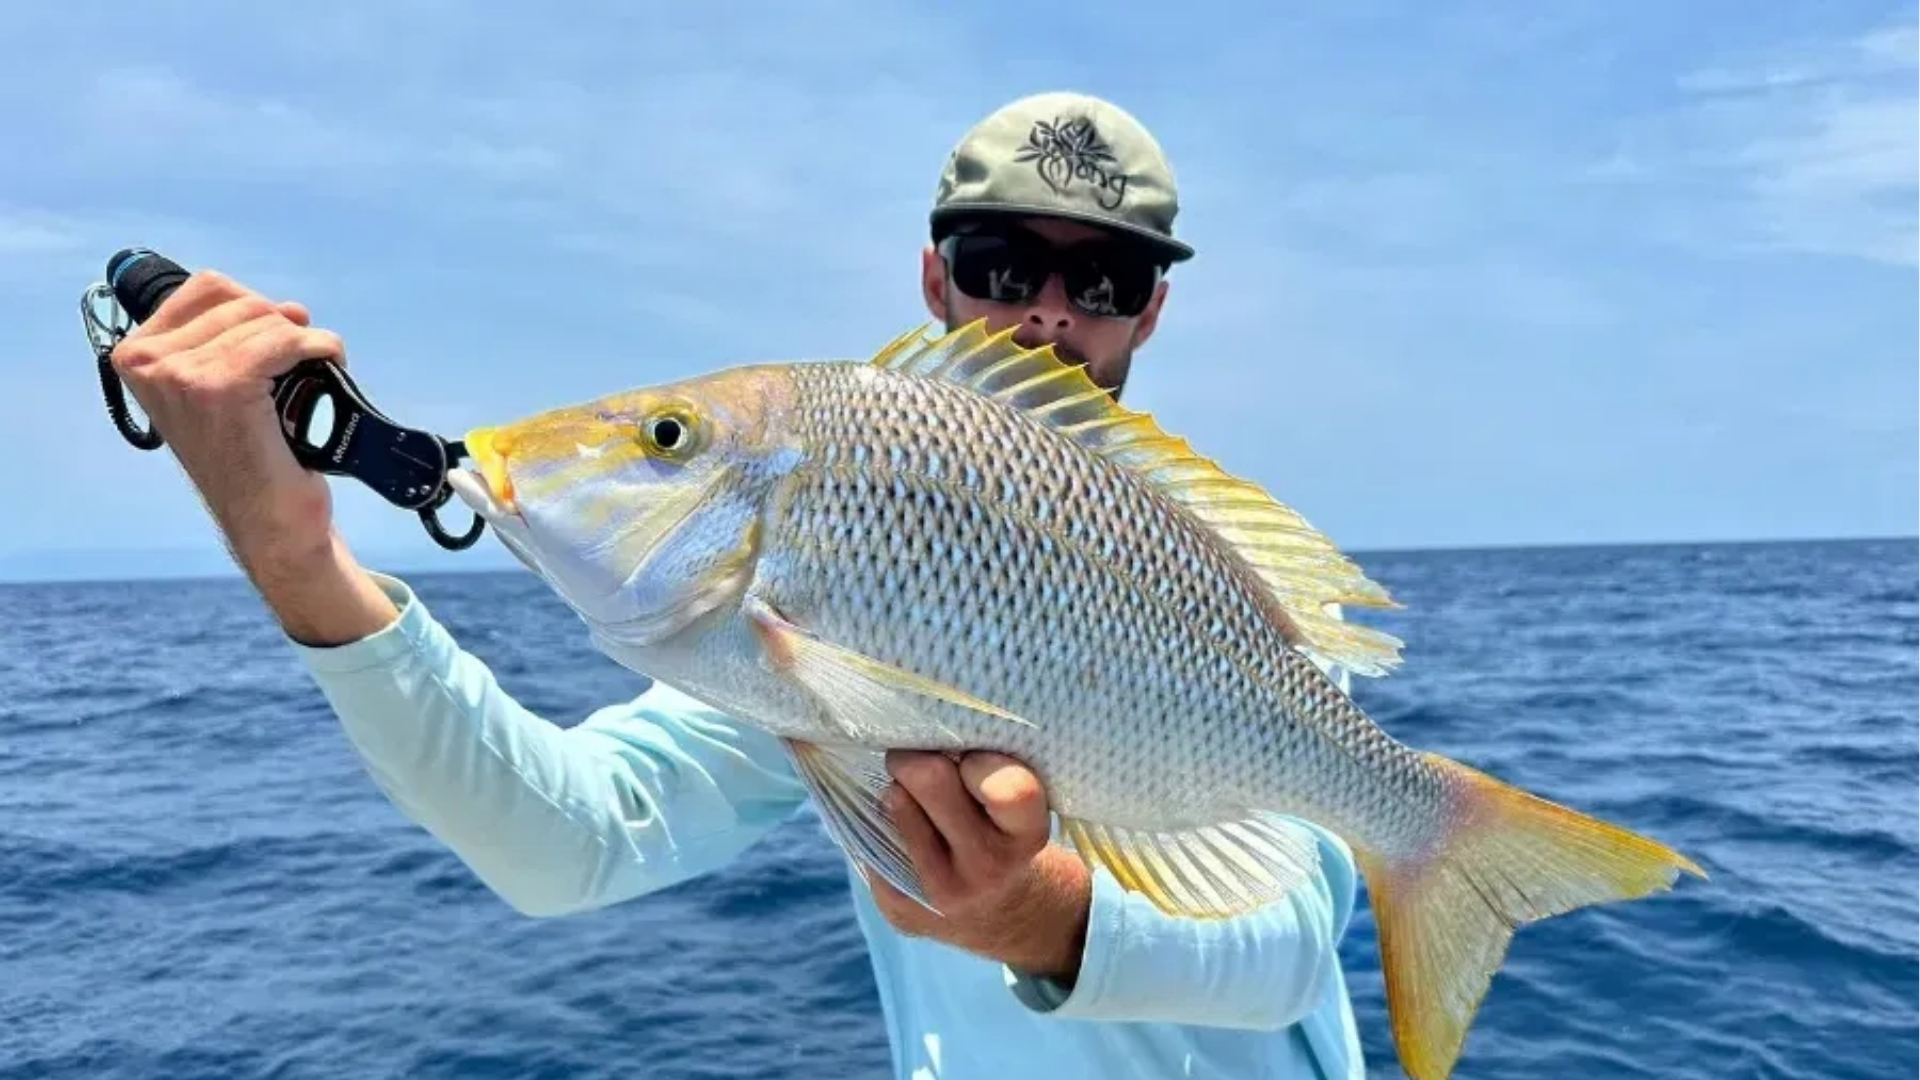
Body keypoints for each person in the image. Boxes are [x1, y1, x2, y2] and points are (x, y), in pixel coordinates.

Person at [110, 90, 1369, 1080]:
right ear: (936, 281)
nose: (1047, 315)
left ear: (1148, 313)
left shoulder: (1201, 585)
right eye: (999, 263)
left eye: (1101, 282)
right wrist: (295, 559)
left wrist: (1028, 919)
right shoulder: (793, 617)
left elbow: (1290, 950)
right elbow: (569, 844)